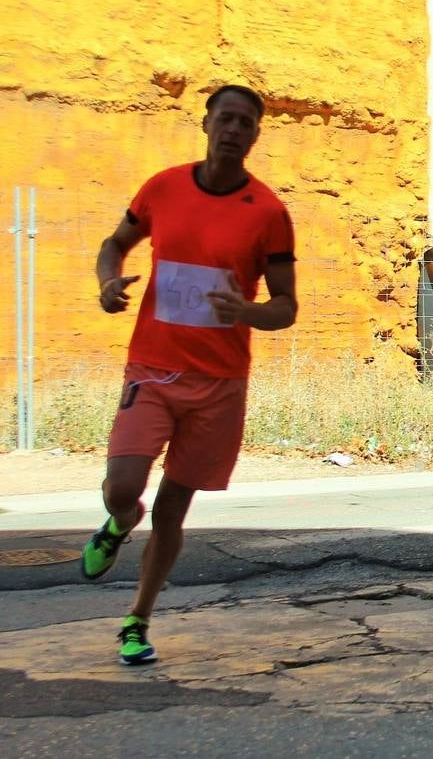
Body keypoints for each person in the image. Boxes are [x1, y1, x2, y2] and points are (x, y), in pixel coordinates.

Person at [83, 84, 298, 666]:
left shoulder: (271, 214)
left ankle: (137, 619)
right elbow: (115, 243)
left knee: (176, 510)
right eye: (225, 118)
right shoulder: (163, 188)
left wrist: (247, 312)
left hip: (220, 384)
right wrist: (108, 283)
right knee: (122, 487)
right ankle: (120, 522)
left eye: (246, 123)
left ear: (255, 135)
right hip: (152, 369)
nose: (234, 129)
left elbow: (286, 307)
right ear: (205, 123)